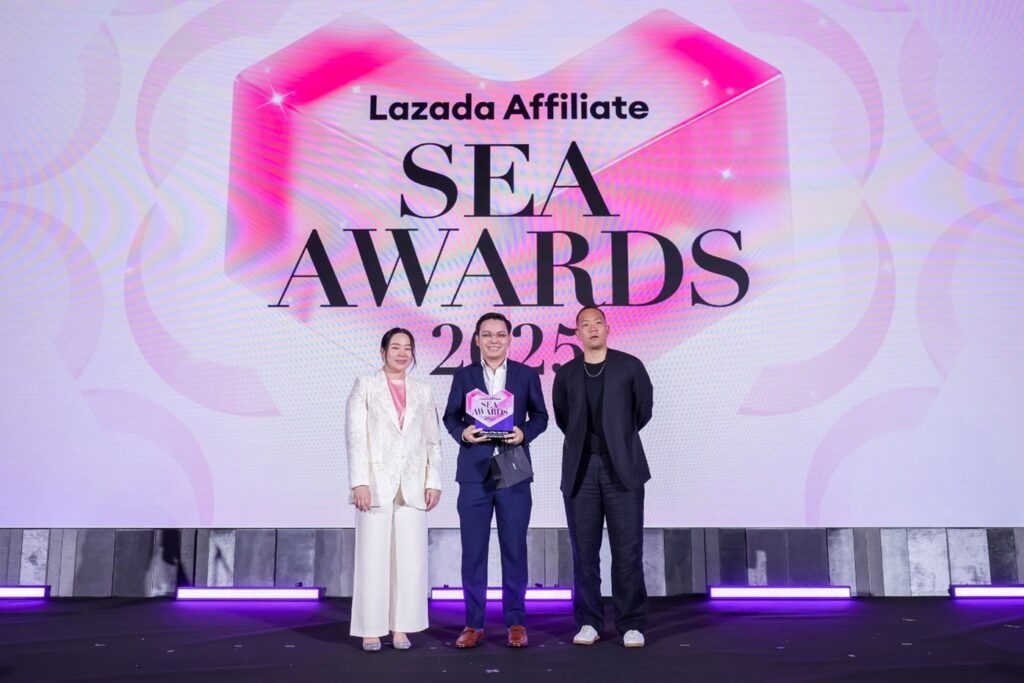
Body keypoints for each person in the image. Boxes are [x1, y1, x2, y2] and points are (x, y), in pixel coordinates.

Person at [442, 312, 548, 648]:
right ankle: (473, 624)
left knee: (514, 548)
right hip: (474, 470)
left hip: (512, 466)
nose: (493, 340)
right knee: (473, 551)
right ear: (476, 340)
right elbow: (450, 416)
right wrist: (463, 433)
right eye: (486, 335)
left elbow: (541, 416)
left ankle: (515, 621)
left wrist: (524, 433)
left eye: (500, 334)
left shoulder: (525, 374)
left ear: (509, 338)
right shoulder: (464, 376)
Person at [552, 306, 653, 648]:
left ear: (608, 329)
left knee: (628, 550)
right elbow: (563, 417)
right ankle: (589, 621)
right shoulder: (567, 373)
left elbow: (643, 410)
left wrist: (618, 439)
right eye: (585, 324)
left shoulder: (630, 366)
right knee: (584, 553)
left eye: (598, 323)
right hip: (581, 470)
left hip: (622, 469)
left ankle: (631, 623)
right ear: (577, 333)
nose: (592, 328)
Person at [346, 328, 442, 651]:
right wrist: (359, 482)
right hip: (375, 484)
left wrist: (433, 481)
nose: (402, 353)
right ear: (383, 350)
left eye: (408, 348)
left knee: (410, 561)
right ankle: (371, 629)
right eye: (396, 347)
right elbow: (356, 437)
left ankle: (402, 627)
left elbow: (433, 441)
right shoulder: (365, 385)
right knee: (373, 559)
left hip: (413, 485)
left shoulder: (423, 391)